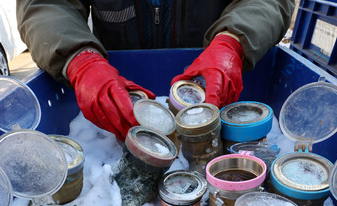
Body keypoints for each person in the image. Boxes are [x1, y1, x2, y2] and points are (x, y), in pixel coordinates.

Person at [16, 0, 295, 140]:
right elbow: (46, 4)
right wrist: (80, 60)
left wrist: (233, 41)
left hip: (212, 87)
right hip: (114, 98)